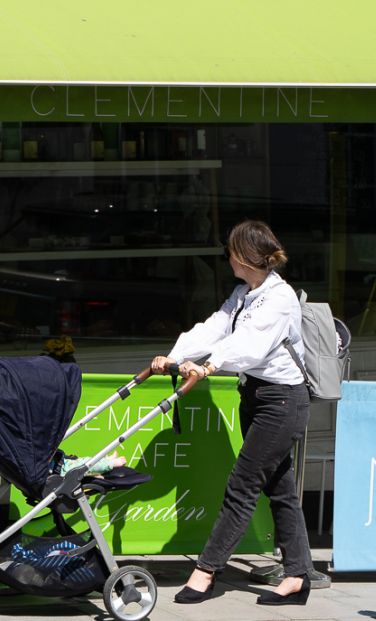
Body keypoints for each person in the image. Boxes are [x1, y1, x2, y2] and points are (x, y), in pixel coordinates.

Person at [151, 220, 314, 606]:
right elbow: (213, 328)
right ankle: (298, 575)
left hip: (283, 400)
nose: (227, 257)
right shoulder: (243, 293)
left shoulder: (280, 298)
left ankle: (206, 571)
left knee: (242, 486)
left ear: (244, 256)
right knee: (280, 489)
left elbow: (250, 345)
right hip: (255, 396)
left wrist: (210, 366)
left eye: (231, 251)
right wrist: (176, 356)